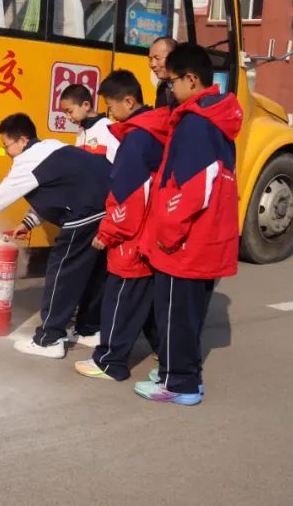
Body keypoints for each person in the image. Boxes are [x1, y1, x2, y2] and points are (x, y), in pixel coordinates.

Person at [0, 113, 111, 359]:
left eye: (6, 146)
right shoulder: (51, 147)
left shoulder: (28, 160)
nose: (6, 152)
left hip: (84, 214)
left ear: (21, 140)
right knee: (93, 275)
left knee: (61, 273)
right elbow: (56, 190)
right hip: (107, 210)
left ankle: (49, 339)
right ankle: (89, 330)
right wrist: (29, 222)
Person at [134, 43, 243, 405]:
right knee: (187, 314)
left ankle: (177, 382)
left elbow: (193, 190)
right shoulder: (215, 116)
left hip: (185, 243)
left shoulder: (195, 123)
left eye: (173, 81)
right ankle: (182, 373)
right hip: (205, 239)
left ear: (192, 79)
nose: (170, 89)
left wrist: (166, 234)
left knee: (174, 314)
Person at [72, 70, 169, 382]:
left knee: (119, 297)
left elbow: (129, 195)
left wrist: (108, 232)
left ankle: (110, 362)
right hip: (152, 230)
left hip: (132, 235)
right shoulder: (156, 131)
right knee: (145, 300)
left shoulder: (136, 139)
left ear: (129, 101)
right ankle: (168, 356)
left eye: (111, 107)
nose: (108, 113)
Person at [60, 83, 118, 164]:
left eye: (70, 111)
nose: (68, 117)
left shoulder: (108, 128)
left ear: (86, 105)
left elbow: (117, 166)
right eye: (65, 113)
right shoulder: (81, 130)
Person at [149, 37, 178, 108]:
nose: (152, 64)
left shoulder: (188, 86)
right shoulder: (162, 89)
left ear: (173, 57)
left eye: (157, 58)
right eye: (150, 59)